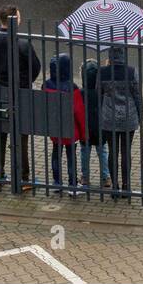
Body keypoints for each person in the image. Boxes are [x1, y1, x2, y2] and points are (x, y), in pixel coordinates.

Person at [0, 5, 42, 190]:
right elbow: (36, 67)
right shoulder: (22, 43)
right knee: (21, 134)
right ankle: (23, 177)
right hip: (21, 92)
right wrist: (25, 81)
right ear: (15, 19)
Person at [97, 44, 143, 197]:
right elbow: (137, 95)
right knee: (125, 151)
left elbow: (98, 93)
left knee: (113, 151)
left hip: (109, 118)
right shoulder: (131, 72)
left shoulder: (102, 72)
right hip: (129, 117)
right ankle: (126, 186)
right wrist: (140, 115)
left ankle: (115, 186)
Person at [42, 55, 85, 195]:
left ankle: (56, 182)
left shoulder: (46, 85)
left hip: (55, 127)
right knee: (71, 156)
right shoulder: (72, 88)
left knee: (56, 153)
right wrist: (84, 132)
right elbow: (78, 112)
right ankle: (72, 184)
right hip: (70, 128)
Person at [80, 56, 111, 189]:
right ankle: (106, 177)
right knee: (102, 152)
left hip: (85, 128)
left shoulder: (81, 93)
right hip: (100, 128)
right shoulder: (102, 92)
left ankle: (85, 177)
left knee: (84, 152)